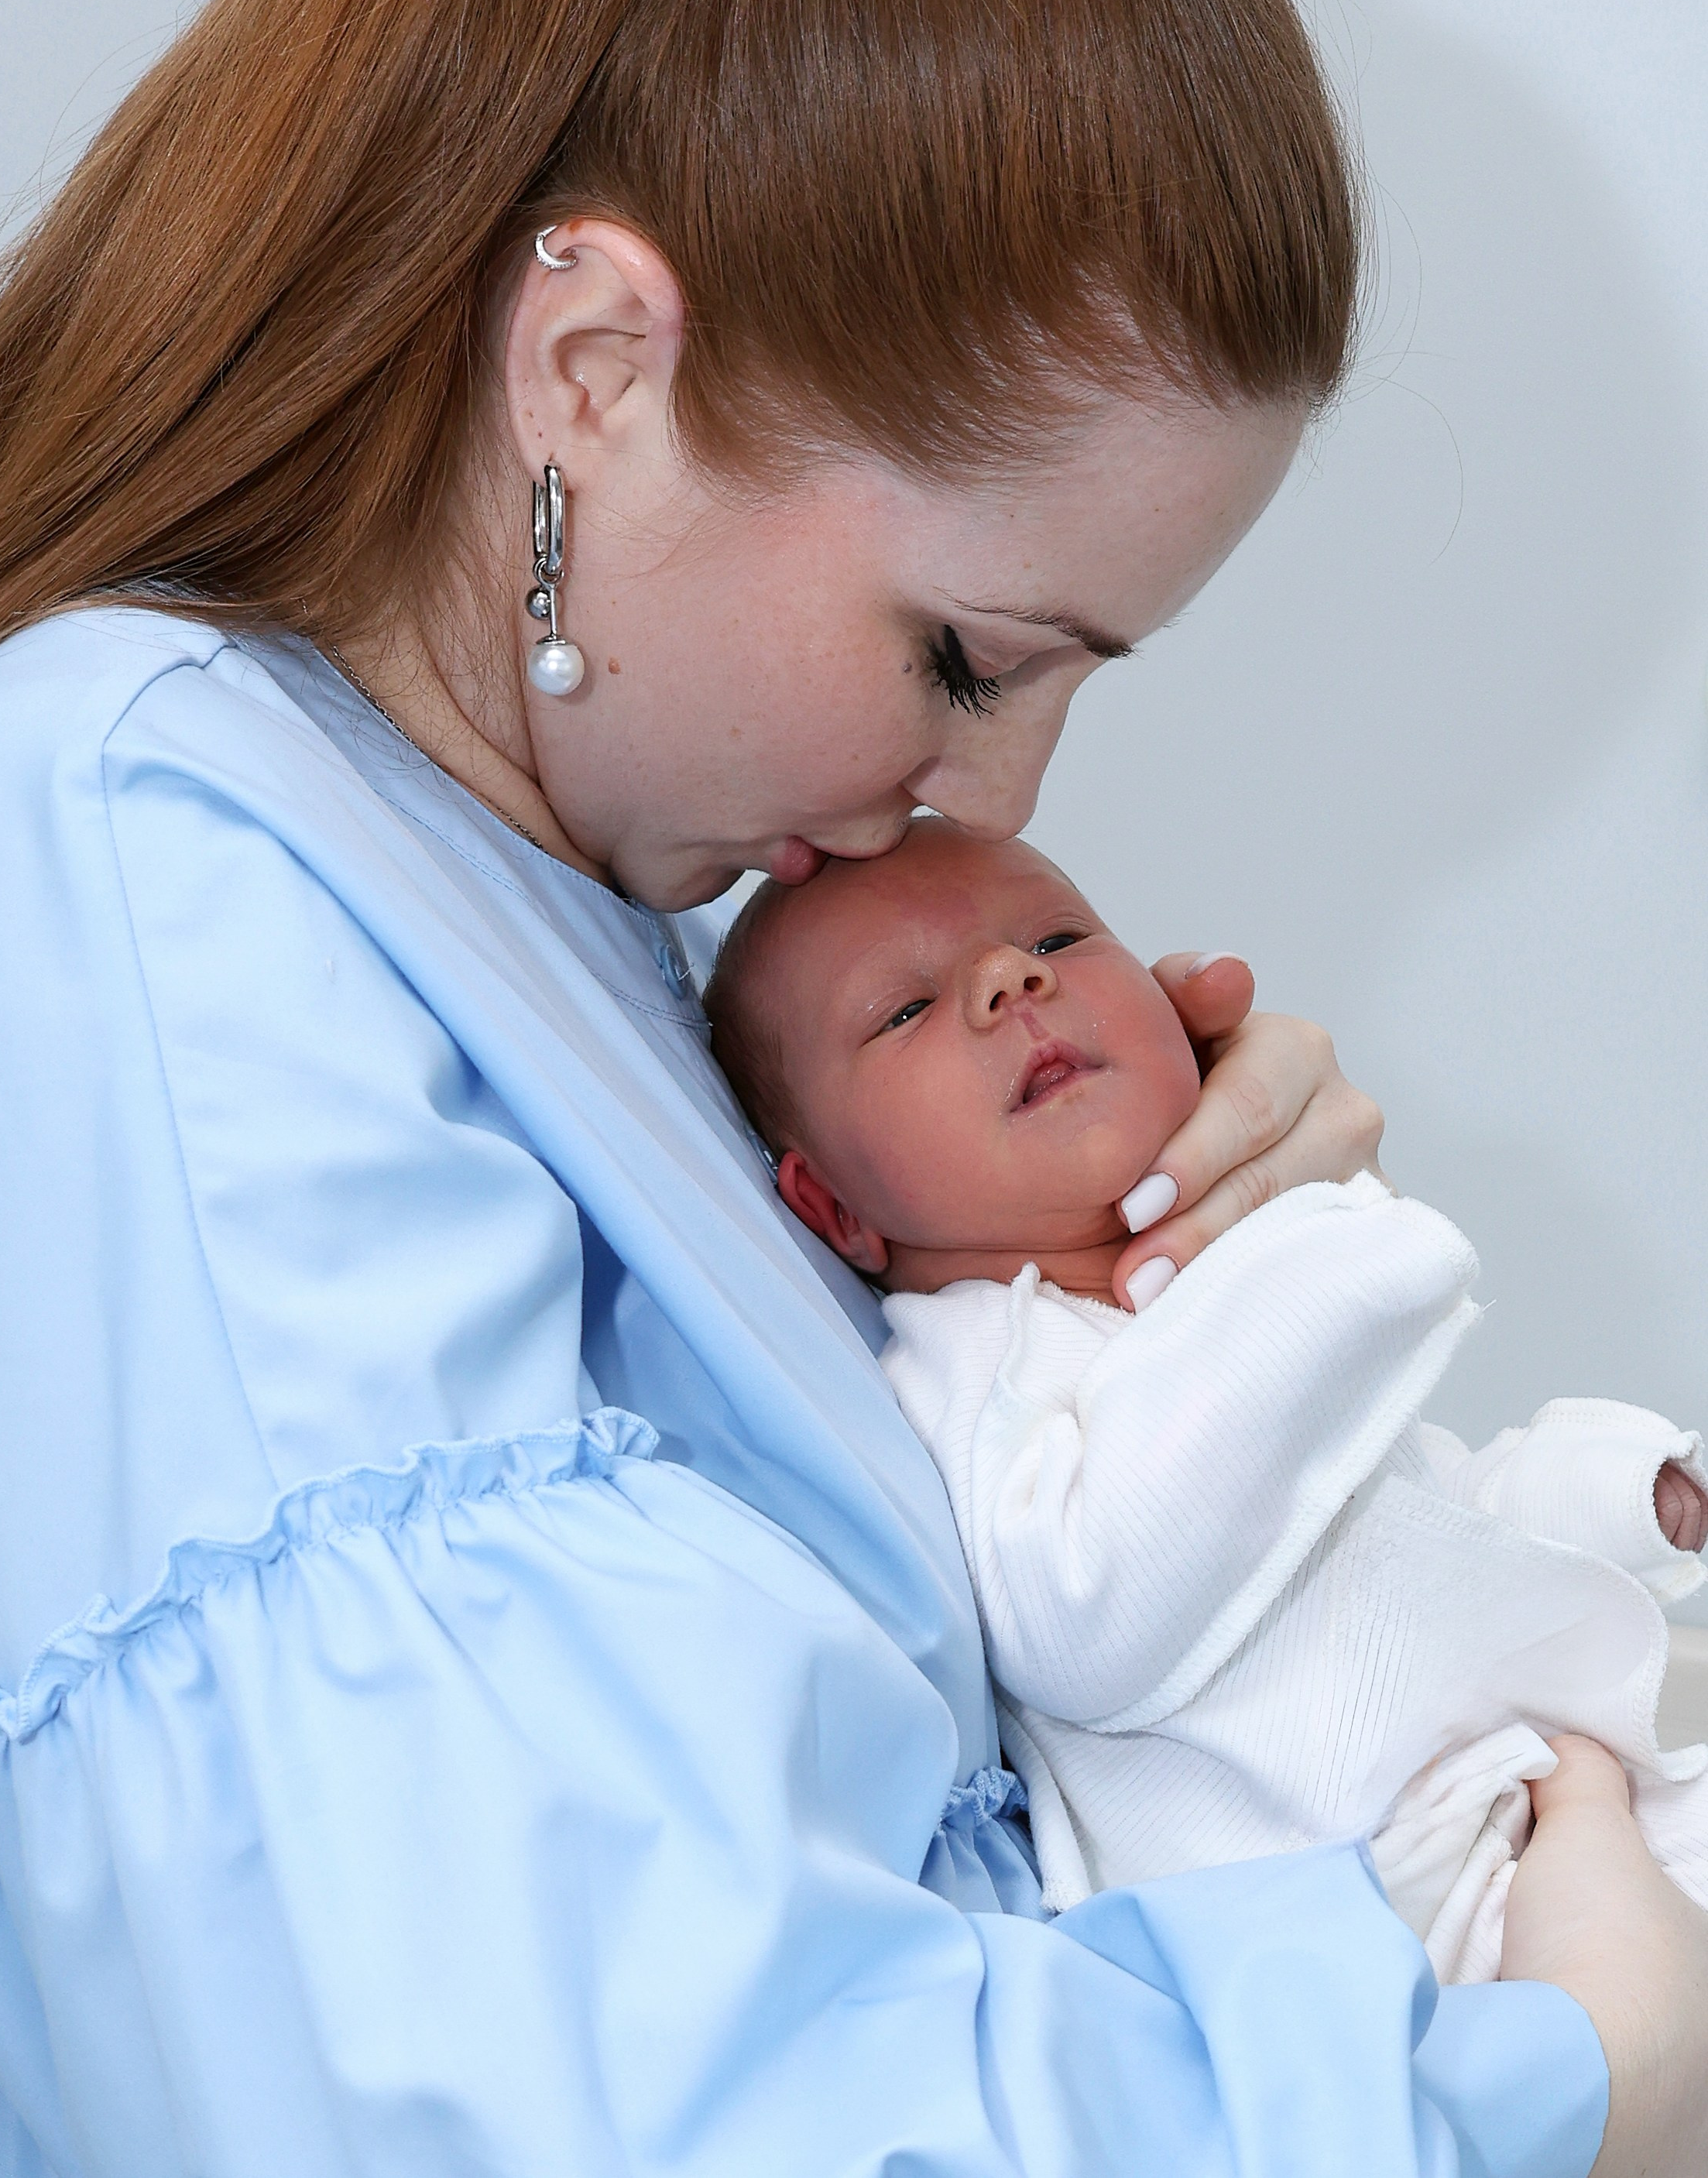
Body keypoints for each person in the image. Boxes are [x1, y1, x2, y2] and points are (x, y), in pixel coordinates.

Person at [0, 0, 1701, 2176]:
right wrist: (1524, 2069)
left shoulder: (561, 936)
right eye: (966, 655)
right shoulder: (141, 855)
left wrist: (1136, 1295)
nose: (978, 803)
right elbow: (511, 2104)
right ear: (596, 362)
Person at [702, 818, 1708, 1981]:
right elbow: (1082, 1610)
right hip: (1356, 1933)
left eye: (1058, 936)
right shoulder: (971, 1365)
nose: (1009, 978)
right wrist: (1325, 1265)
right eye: (906, 1010)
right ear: (834, 1211)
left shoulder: (1215, 1302)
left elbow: (1418, 1517)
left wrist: (1620, 1492)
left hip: (1519, 1820)